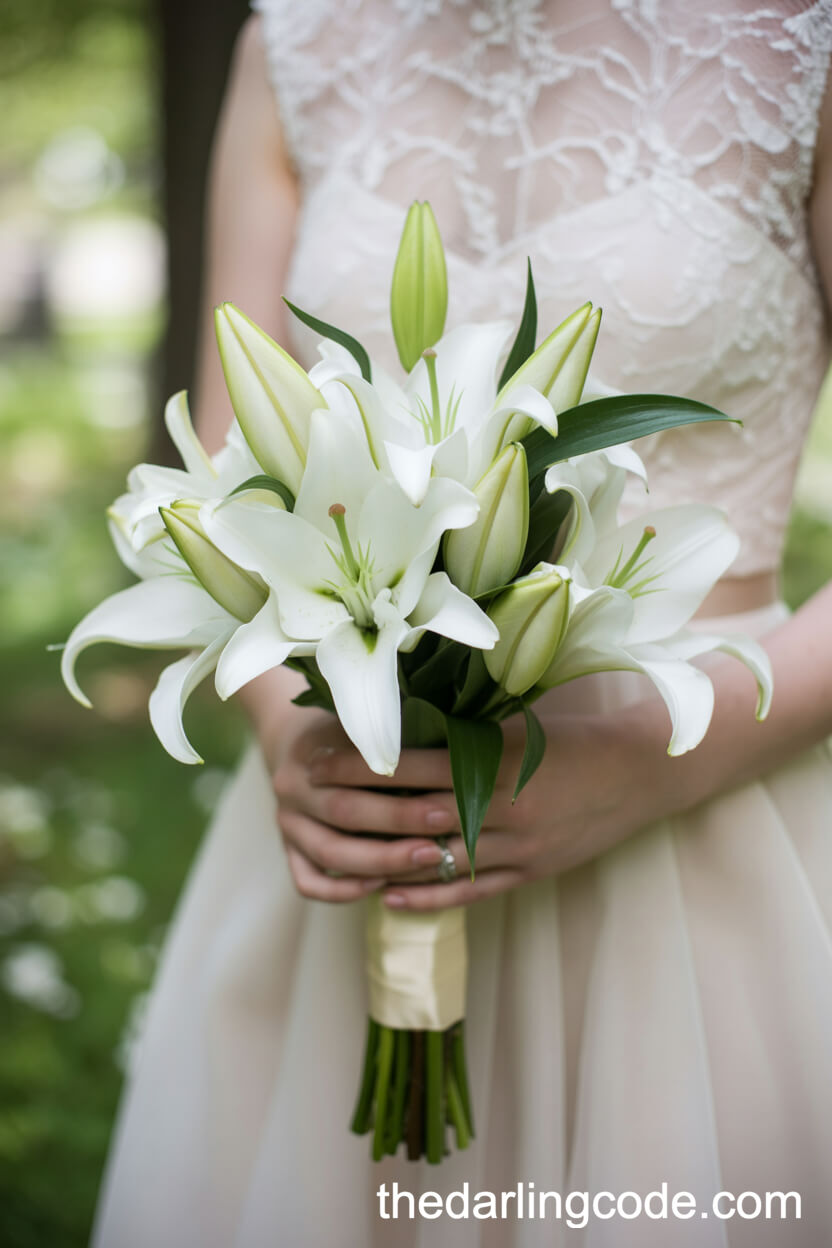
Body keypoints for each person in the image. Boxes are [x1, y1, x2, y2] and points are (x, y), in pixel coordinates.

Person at [92, 3, 832, 1245]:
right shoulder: (298, 42)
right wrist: (286, 736)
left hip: (707, 808)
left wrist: (643, 766)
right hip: (357, 808)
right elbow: (223, 468)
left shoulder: (801, 37)